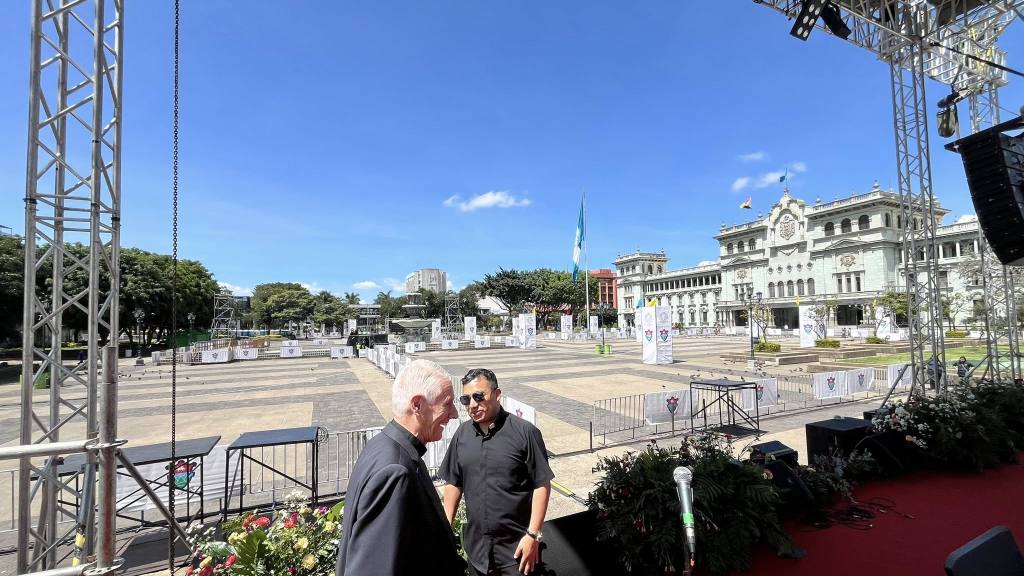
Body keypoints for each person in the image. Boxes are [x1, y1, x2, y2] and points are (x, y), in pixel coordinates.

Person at [336, 359, 465, 576]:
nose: (454, 414)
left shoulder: (383, 446)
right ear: (417, 405)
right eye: (447, 403)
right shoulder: (395, 471)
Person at [440, 368, 553, 576]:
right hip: (477, 552)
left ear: (497, 394)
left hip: (517, 552)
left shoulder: (525, 433)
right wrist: (446, 528)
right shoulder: (461, 435)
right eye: (466, 399)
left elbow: (542, 484)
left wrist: (532, 535)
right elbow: (454, 482)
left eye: (479, 396)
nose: (472, 405)